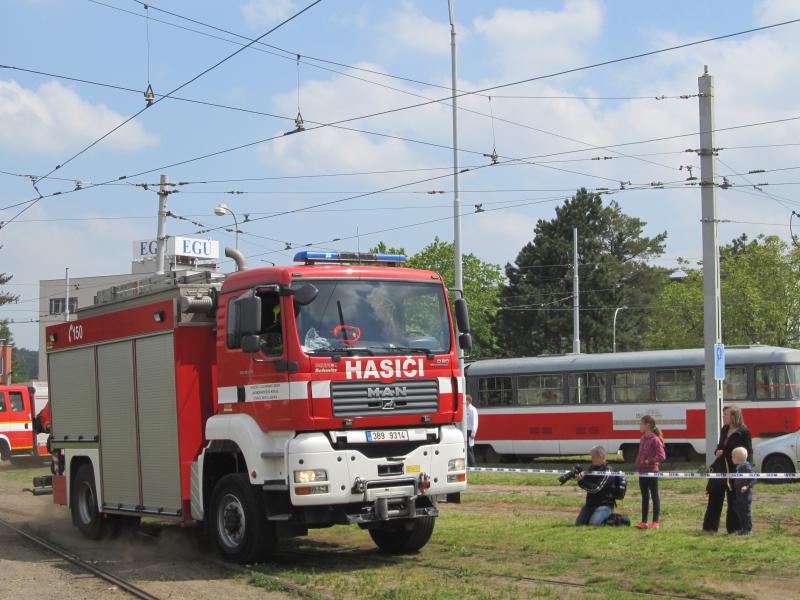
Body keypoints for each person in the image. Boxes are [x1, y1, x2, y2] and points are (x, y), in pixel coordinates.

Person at [702, 405, 753, 533]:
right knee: (714, 497)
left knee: (734, 500)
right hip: (720, 468)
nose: (723, 417)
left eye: (725, 414)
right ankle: (709, 528)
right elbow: (720, 446)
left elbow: (748, 453)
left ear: (734, 416)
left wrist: (747, 471)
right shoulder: (724, 429)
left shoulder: (744, 432)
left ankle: (734, 528)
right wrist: (717, 452)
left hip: (735, 470)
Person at [635, 415, 667, 530]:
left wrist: (650, 460)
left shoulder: (655, 439)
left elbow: (662, 456)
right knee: (644, 497)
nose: (639, 426)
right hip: (642, 472)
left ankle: (655, 522)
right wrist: (638, 462)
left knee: (654, 496)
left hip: (652, 472)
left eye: (641, 423)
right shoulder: (642, 438)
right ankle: (644, 522)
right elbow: (640, 453)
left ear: (647, 425)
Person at [575, 445, 619, 526]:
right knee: (579, 524)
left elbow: (597, 489)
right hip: (590, 504)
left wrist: (582, 481)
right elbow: (585, 484)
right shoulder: (591, 468)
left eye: (593, 457)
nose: (591, 459)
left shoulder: (609, 471)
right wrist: (579, 479)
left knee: (594, 524)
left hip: (604, 505)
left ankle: (614, 519)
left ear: (601, 456)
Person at [731, 446, 755, 536]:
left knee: (746, 512)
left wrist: (747, 486)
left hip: (746, 495)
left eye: (732, 457)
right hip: (739, 494)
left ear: (738, 458)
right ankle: (743, 528)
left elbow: (754, 478)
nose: (731, 458)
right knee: (740, 511)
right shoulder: (739, 467)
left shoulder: (747, 467)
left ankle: (748, 530)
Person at [466, 394, 479, 467]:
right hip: (466, 431)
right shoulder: (466, 409)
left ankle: (473, 465)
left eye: (465, 400)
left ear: (468, 401)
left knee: (469, 449)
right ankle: (471, 465)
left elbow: (475, 422)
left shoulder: (472, 409)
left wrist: (473, 432)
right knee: (468, 449)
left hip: (470, 431)